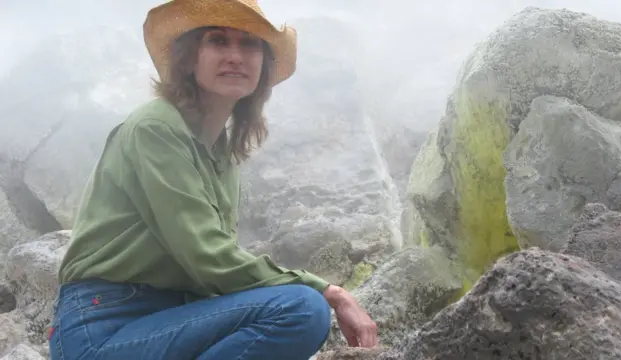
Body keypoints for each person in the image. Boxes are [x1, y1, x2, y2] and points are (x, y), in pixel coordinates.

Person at [47, 1, 377, 359]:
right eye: (218, 41)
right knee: (301, 308)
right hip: (103, 326)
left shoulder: (221, 151)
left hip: (170, 320)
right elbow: (207, 257)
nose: (235, 56)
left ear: (262, 65)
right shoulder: (155, 128)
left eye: (249, 44)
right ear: (189, 59)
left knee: (298, 309)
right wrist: (332, 292)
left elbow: (212, 273)